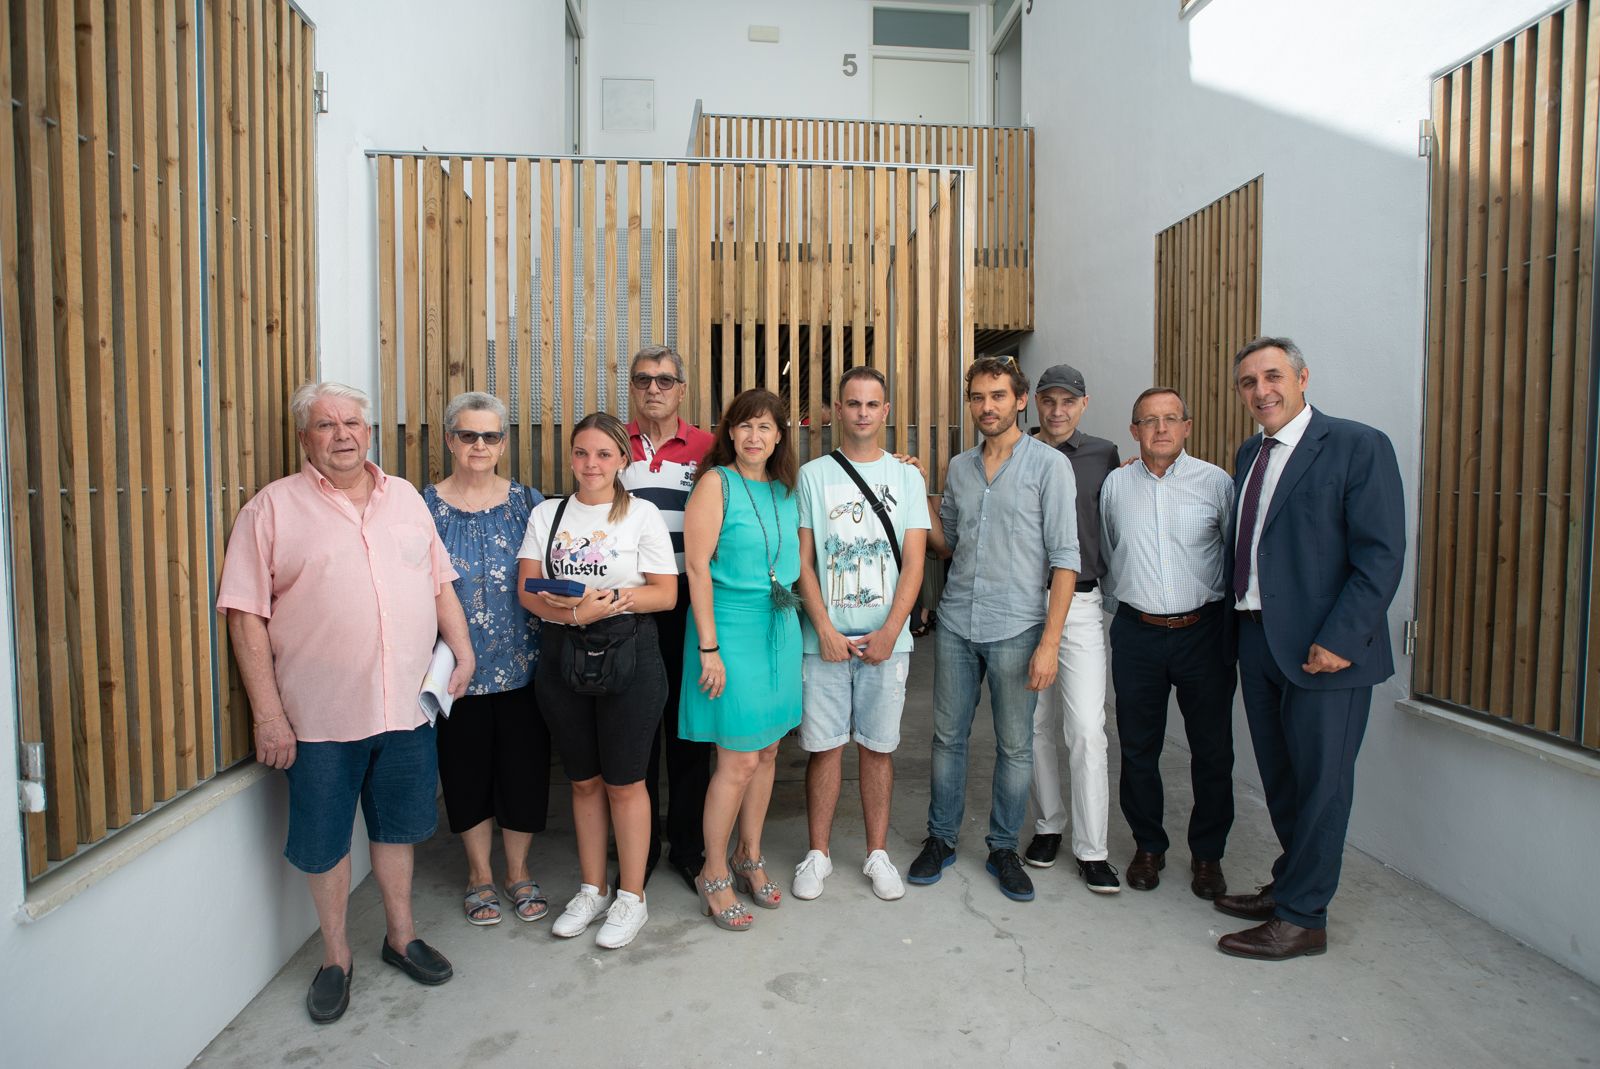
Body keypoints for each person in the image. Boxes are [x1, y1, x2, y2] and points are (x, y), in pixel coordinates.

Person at [217, 382, 472, 1024]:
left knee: (398, 829)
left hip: (407, 709)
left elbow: (438, 582)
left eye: (353, 421)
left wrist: (462, 653)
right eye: (326, 425)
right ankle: (336, 959)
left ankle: (400, 936)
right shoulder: (271, 510)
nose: (343, 435)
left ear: (369, 429)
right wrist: (268, 714)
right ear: (305, 438)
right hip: (320, 717)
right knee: (326, 842)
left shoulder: (407, 498)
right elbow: (245, 616)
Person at [1216, 337, 1405, 960]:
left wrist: (1341, 638)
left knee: (1323, 785)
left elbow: (1380, 555)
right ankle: (1290, 884)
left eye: (1273, 376)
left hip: (1326, 652)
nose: (1261, 390)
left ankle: (1303, 918)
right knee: (1282, 779)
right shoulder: (1250, 453)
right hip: (1259, 640)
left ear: (1302, 378)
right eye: (1248, 382)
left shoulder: (1358, 445)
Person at [911, 356, 1080, 903]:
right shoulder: (960, 468)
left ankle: (1004, 846)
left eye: (998, 396)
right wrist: (921, 494)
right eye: (979, 397)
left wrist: (1049, 643)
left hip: (1016, 626)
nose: (987, 407)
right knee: (947, 739)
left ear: (1019, 400)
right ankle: (940, 839)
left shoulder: (1049, 466)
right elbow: (947, 545)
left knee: (1014, 745)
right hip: (959, 621)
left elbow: (1066, 559)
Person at [516, 413, 678, 950]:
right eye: (582, 453)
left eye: (604, 455)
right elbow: (526, 592)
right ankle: (593, 887)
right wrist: (572, 616)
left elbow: (665, 594)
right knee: (583, 779)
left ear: (622, 461)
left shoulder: (643, 514)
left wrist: (609, 604)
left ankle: (631, 896)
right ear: (571, 457)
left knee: (626, 781)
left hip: (629, 650)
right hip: (563, 651)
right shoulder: (547, 513)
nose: (592, 464)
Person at [792, 367, 930, 902]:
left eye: (873, 404)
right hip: (824, 641)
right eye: (852, 404)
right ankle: (818, 853)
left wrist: (891, 630)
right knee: (824, 749)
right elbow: (804, 561)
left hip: (885, 642)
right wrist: (823, 627)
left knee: (877, 748)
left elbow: (916, 563)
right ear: (837, 410)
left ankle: (877, 854)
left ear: (886, 411)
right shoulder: (813, 476)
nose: (863, 413)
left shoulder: (907, 479)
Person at [1099, 387, 1236, 900]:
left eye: (1170, 419)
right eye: (1148, 421)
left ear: (1187, 426)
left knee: (1213, 751)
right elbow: (1111, 550)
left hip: (1203, 631)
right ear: (1133, 431)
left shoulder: (1216, 484)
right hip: (1137, 634)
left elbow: (1232, 553)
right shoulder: (1115, 485)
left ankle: (1208, 856)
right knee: (1138, 749)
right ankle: (1148, 846)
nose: (1160, 429)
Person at [424, 391, 551, 926]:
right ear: (450, 440)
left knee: (523, 771)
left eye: (490, 436)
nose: (479, 445)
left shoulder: (530, 502)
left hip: (524, 663)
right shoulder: (423, 505)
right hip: (455, 667)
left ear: (503, 442)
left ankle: (517, 871)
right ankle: (479, 873)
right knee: (466, 772)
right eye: (468, 435)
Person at [679, 388, 803, 931]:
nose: (755, 436)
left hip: (779, 625)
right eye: (745, 426)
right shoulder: (716, 483)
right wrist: (709, 646)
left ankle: (749, 855)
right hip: (728, 626)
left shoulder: (785, 489)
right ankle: (713, 871)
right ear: (730, 432)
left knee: (769, 751)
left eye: (766, 428)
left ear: (779, 436)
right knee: (738, 759)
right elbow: (698, 568)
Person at [1023, 363, 1122, 894]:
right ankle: (1048, 825)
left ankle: (1093, 848)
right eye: (1049, 401)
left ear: (1083, 405)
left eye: (1068, 402)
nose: (1058, 411)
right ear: (1035, 403)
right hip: (1025, 603)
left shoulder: (1104, 455)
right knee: (1033, 725)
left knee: (1085, 727)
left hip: (1081, 602)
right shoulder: (1017, 450)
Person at [621, 344, 716, 892]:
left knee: (686, 732)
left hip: (687, 602)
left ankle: (687, 845)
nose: (653, 388)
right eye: (643, 379)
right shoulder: (612, 445)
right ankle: (637, 847)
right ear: (631, 387)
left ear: (682, 389)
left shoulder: (708, 448)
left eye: (665, 380)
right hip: (629, 608)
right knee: (633, 733)